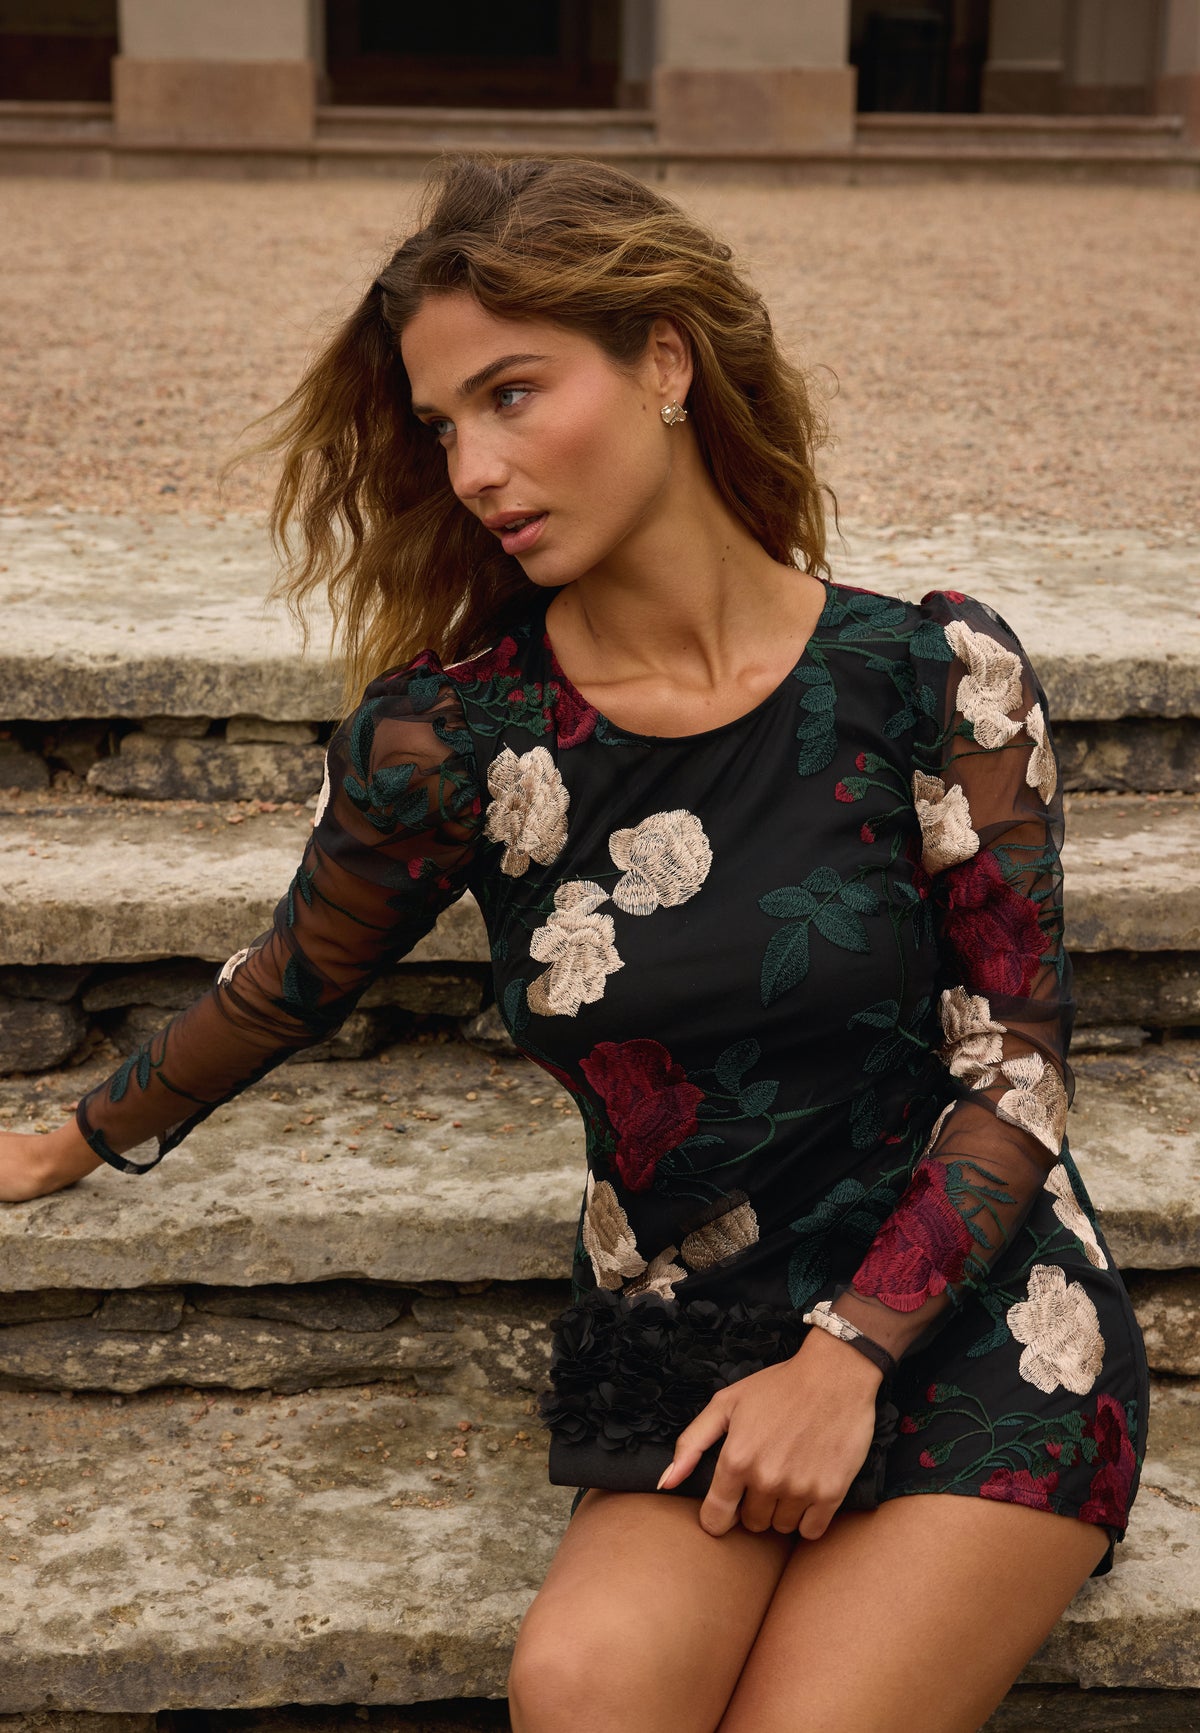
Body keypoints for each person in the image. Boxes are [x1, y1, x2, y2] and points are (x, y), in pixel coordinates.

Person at [0, 155, 1150, 1733]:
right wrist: (64, 1141)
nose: (475, 466)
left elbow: (1017, 1059)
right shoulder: (455, 739)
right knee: (581, 1687)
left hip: (968, 1296)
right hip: (692, 1307)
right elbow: (289, 979)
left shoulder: (933, 673)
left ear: (665, 360)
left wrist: (848, 1358)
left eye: (514, 393)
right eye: (442, 425)